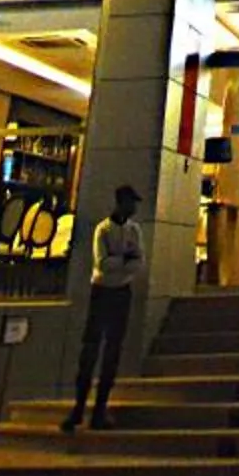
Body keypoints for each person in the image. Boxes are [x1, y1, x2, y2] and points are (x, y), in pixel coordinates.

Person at [61, 185, 145, 432]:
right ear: (121, 202)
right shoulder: (103, 229)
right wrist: (124, 262)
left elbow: (138, 262)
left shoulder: (134, 230)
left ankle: (99, 408)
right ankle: (79, 408)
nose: (134, 208)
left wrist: (120, 262)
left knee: (112, 351)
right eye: (131, 202)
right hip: (102, 292)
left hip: (121, 293)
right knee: (91, 349)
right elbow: (102, 263)